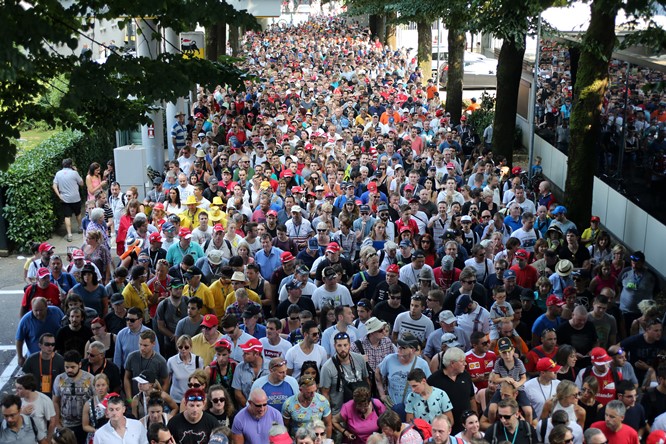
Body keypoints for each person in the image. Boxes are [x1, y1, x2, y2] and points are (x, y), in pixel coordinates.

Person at [320, 331, 370, 415]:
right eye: (339, 345)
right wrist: (328, 415)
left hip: (360, 410)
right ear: (334, 346)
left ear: (350, 345)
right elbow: (325, 393)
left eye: (345, 345)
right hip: (339, 412)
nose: (343, 349)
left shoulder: (360, 359)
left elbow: (367, 381)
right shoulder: (327, 367)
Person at [52, 350, 95, 444]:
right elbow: (55, 401)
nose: (69, 370)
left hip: (85, 425)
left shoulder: (90, 379)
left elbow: (96, 401)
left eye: (72, 367)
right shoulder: (59, 379)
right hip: (65, 425)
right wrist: (57, 423)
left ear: (79, 364)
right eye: (66, 367)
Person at [16, 297, 65, 365]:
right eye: (36, 310)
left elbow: (65, 326)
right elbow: (19, 339)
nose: (38, 313)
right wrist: (20, 357)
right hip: (36, 358)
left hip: (57, 355)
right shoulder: (25, 320)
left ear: (46, 307)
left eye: (41, 310)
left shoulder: (56, 312)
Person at [14, 373, 56, 442]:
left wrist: (48, 440)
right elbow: (9, 418)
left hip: (40, 439)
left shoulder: (45, 400)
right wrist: (22, 413)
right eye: (16, 388)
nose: (16, 391)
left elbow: (52, 422)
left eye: (20, 388)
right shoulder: (16, 399)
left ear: (29, 389)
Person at [21, 332, 65, 397]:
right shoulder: (31, 359)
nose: (50, 347)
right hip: (35, 396)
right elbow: (25, 379)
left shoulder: (60, 360)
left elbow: (64, 379)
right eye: (47, 344)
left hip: (54, 397)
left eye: (53, 344)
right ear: (40, 345)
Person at [166, 335, 205, 403]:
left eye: (186, 347)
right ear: (177, 347)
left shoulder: (198, 360)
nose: (183, 349)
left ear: (190, 347)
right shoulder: (171, 361)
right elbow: (167, 380)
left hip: (193, 398)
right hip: (176, 399)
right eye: (180, 347)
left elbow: (202, 381)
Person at [52, 158, 84, 242]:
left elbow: (54, 186)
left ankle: (69, 234)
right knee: (78, 213)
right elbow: (81, 183)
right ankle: (80, 227)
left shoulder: (58, 174)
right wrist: (76, 171)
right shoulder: (74, 173)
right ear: (71, 165)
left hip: (64, 199)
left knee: (67, 216)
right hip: (75, 198)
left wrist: (59, 196)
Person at [232, 338, 268, 406]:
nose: (243, 355)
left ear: (257, 354)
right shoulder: (239, 367)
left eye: (247, 354)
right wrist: (250, 407)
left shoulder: (270, 367)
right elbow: (237, 393)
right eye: (244, 353)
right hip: (246, 408)